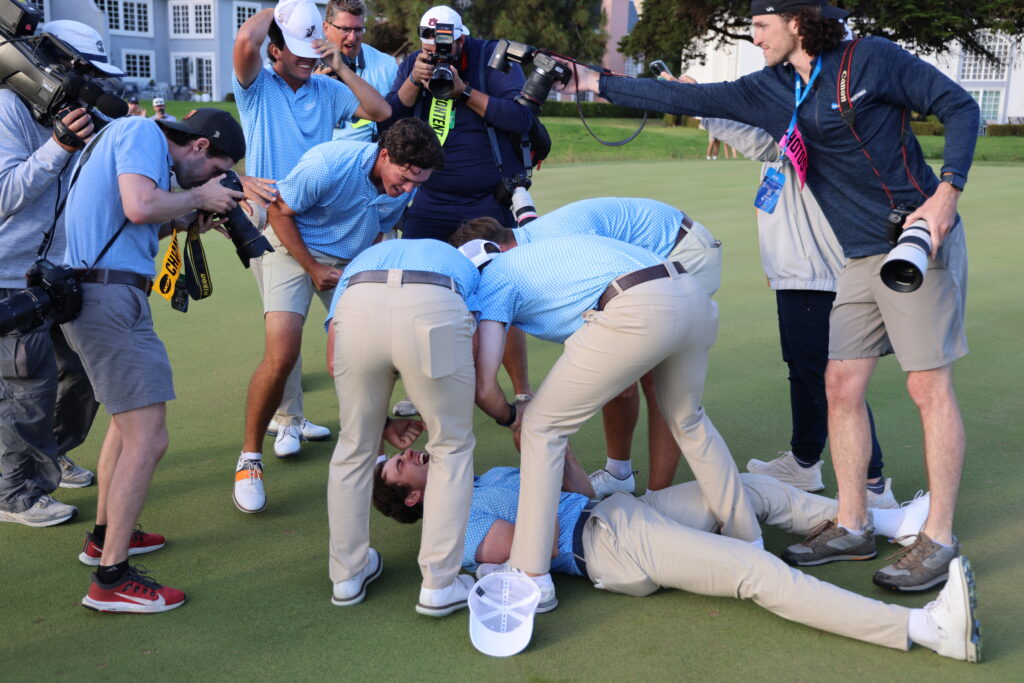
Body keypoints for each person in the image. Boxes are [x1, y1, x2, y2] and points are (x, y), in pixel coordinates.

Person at [570, 0, 978, 593]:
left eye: (761, 25)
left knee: (927, 387)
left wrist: (946, 197)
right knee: (840, 385)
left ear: (797, 22)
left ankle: (938, 537)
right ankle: (853, 523)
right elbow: (693, 99)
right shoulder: (774, 86)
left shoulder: (873, 59)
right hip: (860, 256)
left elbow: (960, 108)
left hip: (916, 241)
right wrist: (597, 83)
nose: (754, 36)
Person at [372, 449, 980, 663]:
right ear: (414, 496)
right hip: (606, 547)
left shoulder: (484, 478)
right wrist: (539, 466)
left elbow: (575, 491)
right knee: (755, 571)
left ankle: (891, 521)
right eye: (406, 464)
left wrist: (554, 453)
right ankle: (925, 629)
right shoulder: (449, 526)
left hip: (620, 511)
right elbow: (523, 548)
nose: (419, 452)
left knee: (749, 488)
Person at [463, 234, 763, 610]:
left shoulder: (490, 282)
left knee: (541, 427)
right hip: (690, 291)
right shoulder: (538, 253)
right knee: (688, 420)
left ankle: (532, 577)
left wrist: (511, 415)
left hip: (636, 306)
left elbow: (485, 387)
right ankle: (749, 538)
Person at [62, 108, 245, 612]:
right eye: (214, 172)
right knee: (149, 436)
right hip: (108, 300)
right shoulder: (142, 131)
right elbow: (141, 207)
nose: (211, 181)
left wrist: (188, 217)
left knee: (126, 428)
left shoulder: (123, 138)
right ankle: (110, 579)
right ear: (201, 147)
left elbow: (129, 222)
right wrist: (197, 196)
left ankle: (104, 538)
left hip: (101, 294)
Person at [232, 118, 444, 514]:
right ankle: (249, 461)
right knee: (282, 355)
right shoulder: (329, 163)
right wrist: (312, 267)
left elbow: (379, 233)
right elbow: (279, 212)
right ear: (384, 155)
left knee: (373, 354)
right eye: (406, 178)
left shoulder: (402, 186)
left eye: (419, 183)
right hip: (292, 250)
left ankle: (377, 454)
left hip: (349, 262)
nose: (410, 189)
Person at [449, 197, 723, 496]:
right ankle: (619, 473)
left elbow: (618, 280)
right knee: (622, 373)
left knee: (658, 382)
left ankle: (658, 498)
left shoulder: (548, 245)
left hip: (681, 252)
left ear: (496, 251)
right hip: (642, 277)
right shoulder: (532, 248)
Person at [699, 114, 895, 508]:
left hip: (816, 277)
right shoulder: (791, 123)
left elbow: (758, 141)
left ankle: (871, 484)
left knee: (831, 382)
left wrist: (702, 108)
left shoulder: (810, 123)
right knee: (803, 371)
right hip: (795, 277)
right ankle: (805, 462)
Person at [233, 0, 391, 459]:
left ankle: (297, 418)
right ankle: (287, 419)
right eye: (298, 53)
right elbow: (246, 41)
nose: (307, 61)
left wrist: (339, 65)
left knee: (346, 332)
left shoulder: (326, 89)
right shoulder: (256, 88)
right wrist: (281, 9)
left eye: (311, 54)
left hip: (321, 222)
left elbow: (378, 110)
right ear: (276, 52)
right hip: (268, 223)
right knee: (284, 332)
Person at [322, 237, 481, 615]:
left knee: (355, 445)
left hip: (358, 307)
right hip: (435, 304)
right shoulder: (463, 262)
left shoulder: (365, 257)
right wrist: (437, 407)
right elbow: (470, 346)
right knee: (450, 446)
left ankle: (347, 576)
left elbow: (333, 362)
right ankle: (440, 585)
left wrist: (384, 422)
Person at [0, 20, 107, 528]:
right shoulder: (6, 108)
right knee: (27, 387)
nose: (87, 81)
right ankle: (14, 494)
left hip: (57, 275)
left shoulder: (69, 114)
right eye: (82, 69)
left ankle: (50, 456)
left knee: (83, 375)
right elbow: (4, 196)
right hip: (9, 276)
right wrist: (58, 148)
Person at [382, 5, 534, 242]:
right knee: (416, 271)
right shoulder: (415, 62)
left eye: (444, 49)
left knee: (491, 275)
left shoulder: (491, 58)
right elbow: (387, 122)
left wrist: (464, 93)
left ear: (461, 39)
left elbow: (521, 119)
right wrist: (413, 80)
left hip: (487, 203)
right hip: (430, 199)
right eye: (429, 50)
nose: (437, 56)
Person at [318, 0, 398, 143]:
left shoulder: (387, 66)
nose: (352, 37)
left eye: (358, 29)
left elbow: (397, 118)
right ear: (326, 28)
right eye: (345, 29)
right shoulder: (306, 63)